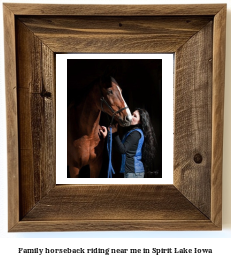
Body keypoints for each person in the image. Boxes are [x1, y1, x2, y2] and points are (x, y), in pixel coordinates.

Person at [100, 108, 157, 178]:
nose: (131, 117)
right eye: (132, 114)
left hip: (133, 173)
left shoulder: (136, 133)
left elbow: (122, 150)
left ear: (141, 121)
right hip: (131, 172)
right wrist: (107, 136)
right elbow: (118, 147)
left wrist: (114, 133)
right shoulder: (132, 132)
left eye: (135, 116)